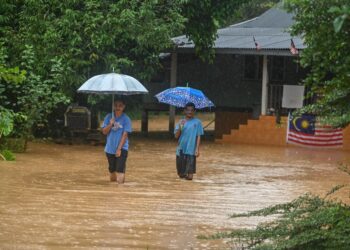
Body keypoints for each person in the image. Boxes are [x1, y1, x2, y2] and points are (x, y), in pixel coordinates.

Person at [102, 99, 132, 184]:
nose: (118, 107)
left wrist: (119, 149)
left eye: (120, 105)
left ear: (123, 107)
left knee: (120, 170)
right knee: (112, 170)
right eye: (116, 105)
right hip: (109, 148)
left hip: (122, 148)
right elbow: (104, 132)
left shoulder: (126, 119)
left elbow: (125, 135)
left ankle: (121, 191)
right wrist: (110, 124)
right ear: (113, 106)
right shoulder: (108, 117)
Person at [174, 102, 204, 180]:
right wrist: (181, 127)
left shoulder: (197, 122)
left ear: (194, 111)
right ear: (184, 111)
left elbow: (198, 136)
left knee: (190, 177)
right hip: (181, 149)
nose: (189, 112)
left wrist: (197, 149)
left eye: (192, 110)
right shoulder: (181, 122)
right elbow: (176, 136)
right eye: (188, 110)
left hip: (191, 150)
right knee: (181, 175)